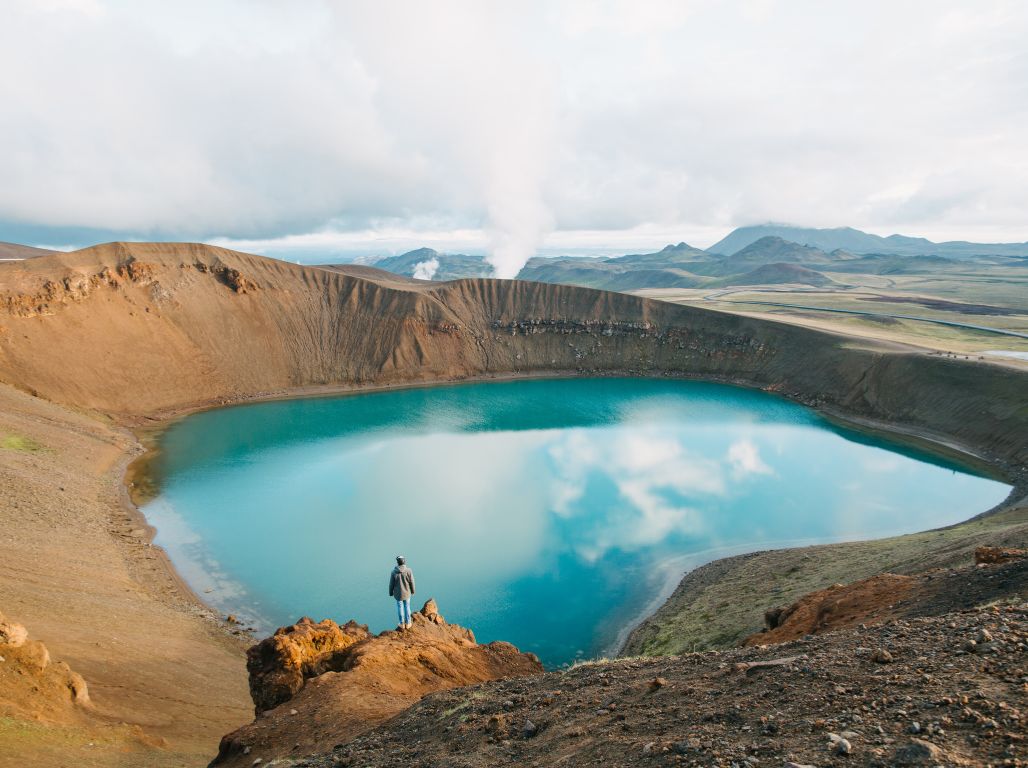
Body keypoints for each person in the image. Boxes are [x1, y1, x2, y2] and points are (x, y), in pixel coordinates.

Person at [388, 555, 415, 630]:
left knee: (400, 607)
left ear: (398, 563)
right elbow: (412, 582)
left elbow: (391, 584)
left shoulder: (394, 572)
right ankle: (408, 623)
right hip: (407, 593)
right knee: (407, 606)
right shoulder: (409, 570)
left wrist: (390, 593)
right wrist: (413, 591)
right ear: (404, 562)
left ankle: (402, 623)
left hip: (398, 594)